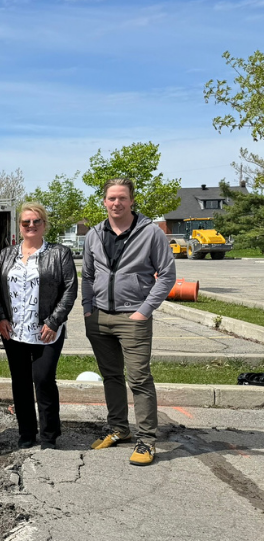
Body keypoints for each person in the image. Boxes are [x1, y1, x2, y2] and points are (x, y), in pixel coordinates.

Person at [82, 178, 175, 466]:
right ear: (104, 201)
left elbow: (167, 275)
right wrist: (87, 308)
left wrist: (144, 311)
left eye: (122, 198)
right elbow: (87, 275)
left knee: (139, 379)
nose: (117, 203)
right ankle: (119, 428)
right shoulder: (94, 234)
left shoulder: (151, 232)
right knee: (111, 376)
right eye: (111, 198)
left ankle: (146, 440)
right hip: (99, 317)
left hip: (133, 316)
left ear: (132, 200)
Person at [0, 203, 77, 450]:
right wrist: (0, 317)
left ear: (44, 224)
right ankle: (26, 433)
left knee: (43, 379)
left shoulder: (59, 253)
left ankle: (49, 435)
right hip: (14, 331)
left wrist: (54, 321)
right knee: (20, 382)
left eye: (36, 221)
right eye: (26, 222)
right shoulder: (6, 254)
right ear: (19, 226)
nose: (31, 225)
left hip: (46, 331)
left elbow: (70, 290)